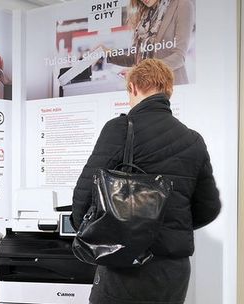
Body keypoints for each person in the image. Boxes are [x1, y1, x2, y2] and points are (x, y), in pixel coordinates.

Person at [71, 59, 220, 304]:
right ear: (168, 91)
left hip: (126, 265)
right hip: (173, 272)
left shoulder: (120, 128)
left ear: (133, 88)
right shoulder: (193, 140)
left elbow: (84, 198)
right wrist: (169, 226)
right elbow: (208, 207)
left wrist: (97, 232)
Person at [106, 0, 195, 84]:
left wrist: (140, 71)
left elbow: (179, 57)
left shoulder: (182, 5)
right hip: (145, 87)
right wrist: (107, 53)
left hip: (169, 86)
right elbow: (136, 57)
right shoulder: (145, 14)